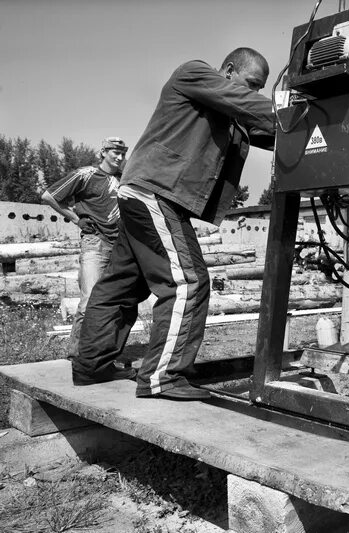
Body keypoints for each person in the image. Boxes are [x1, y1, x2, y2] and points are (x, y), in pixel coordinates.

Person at [72, 48, 275, 400]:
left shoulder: (231, 113)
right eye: (252, 84)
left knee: (121, 286)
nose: (253, 94)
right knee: (187, 282)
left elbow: (268, 128)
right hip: (155, 191)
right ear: (228, 70)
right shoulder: (193, 73)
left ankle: (92, 365)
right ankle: (162, 377)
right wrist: (292, 110)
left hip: (147, 195)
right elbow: (257, 109)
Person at [41, 137, 128, 358]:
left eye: (122, 153)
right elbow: (49, 196)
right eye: (114, 152)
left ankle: (102, 354)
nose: (119, 157)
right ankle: (77, 354)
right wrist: (75, 218)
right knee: (90, 300)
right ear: (103, 152)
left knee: (113, 303)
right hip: (95, 242)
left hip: (120, 246)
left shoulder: (124, 180)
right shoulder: (86, 174)